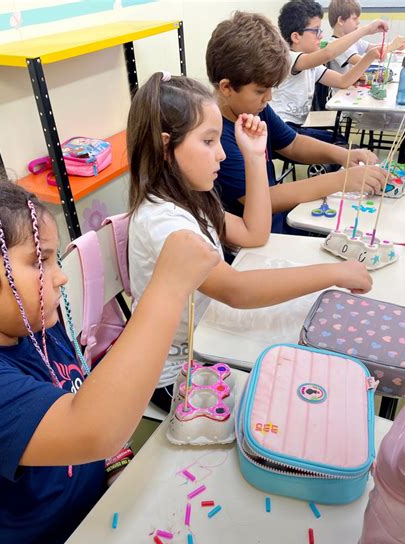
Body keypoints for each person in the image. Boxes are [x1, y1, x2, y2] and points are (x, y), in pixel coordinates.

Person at [0, 174, 220, 544]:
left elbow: (81, 388)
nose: (60, 276)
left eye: (54, 258)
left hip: (90, 528)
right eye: (39, 261)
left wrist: (119, 469)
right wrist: (168, 286)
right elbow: (92, 427)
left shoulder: (35, 322)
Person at [127, 72, 374, 413]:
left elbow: (253, 233)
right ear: (167, 147)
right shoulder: (165, 222)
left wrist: (255, 156)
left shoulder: (190, 197)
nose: (222, 156)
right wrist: (335, 273)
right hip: (178, 374)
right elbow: (237, 291)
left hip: (211, 336)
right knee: (301, 400)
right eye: (209, 142)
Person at [206, 11, 387, 232]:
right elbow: (265, 199)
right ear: (226, 87)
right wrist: (342, 180)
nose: (269, 97)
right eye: (261, 90)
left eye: (272, 88)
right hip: (255, 239)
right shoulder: (216, 136)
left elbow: (292, 143)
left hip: (275, 221)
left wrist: (344, 155)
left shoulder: (252, 109)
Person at [272, 0, 387, 141]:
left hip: (296, 127)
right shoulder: (289, 59)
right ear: (296, 37)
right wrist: (366, 30)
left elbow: (342, 81)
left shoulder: (312, 66)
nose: (320, 35)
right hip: (280, 128)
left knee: (339, 141)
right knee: (339, 145)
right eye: (315, 31)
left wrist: (370, 57)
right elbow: (328, 53)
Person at [327, 0, 405, 74]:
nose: (358, 22)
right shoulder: (336, 45)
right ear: (341, 20)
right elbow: (364, 62)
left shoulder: (353, 40)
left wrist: (395, 45)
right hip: (342, 89)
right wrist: (392, 46)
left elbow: (373, 48)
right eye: (354, 19)